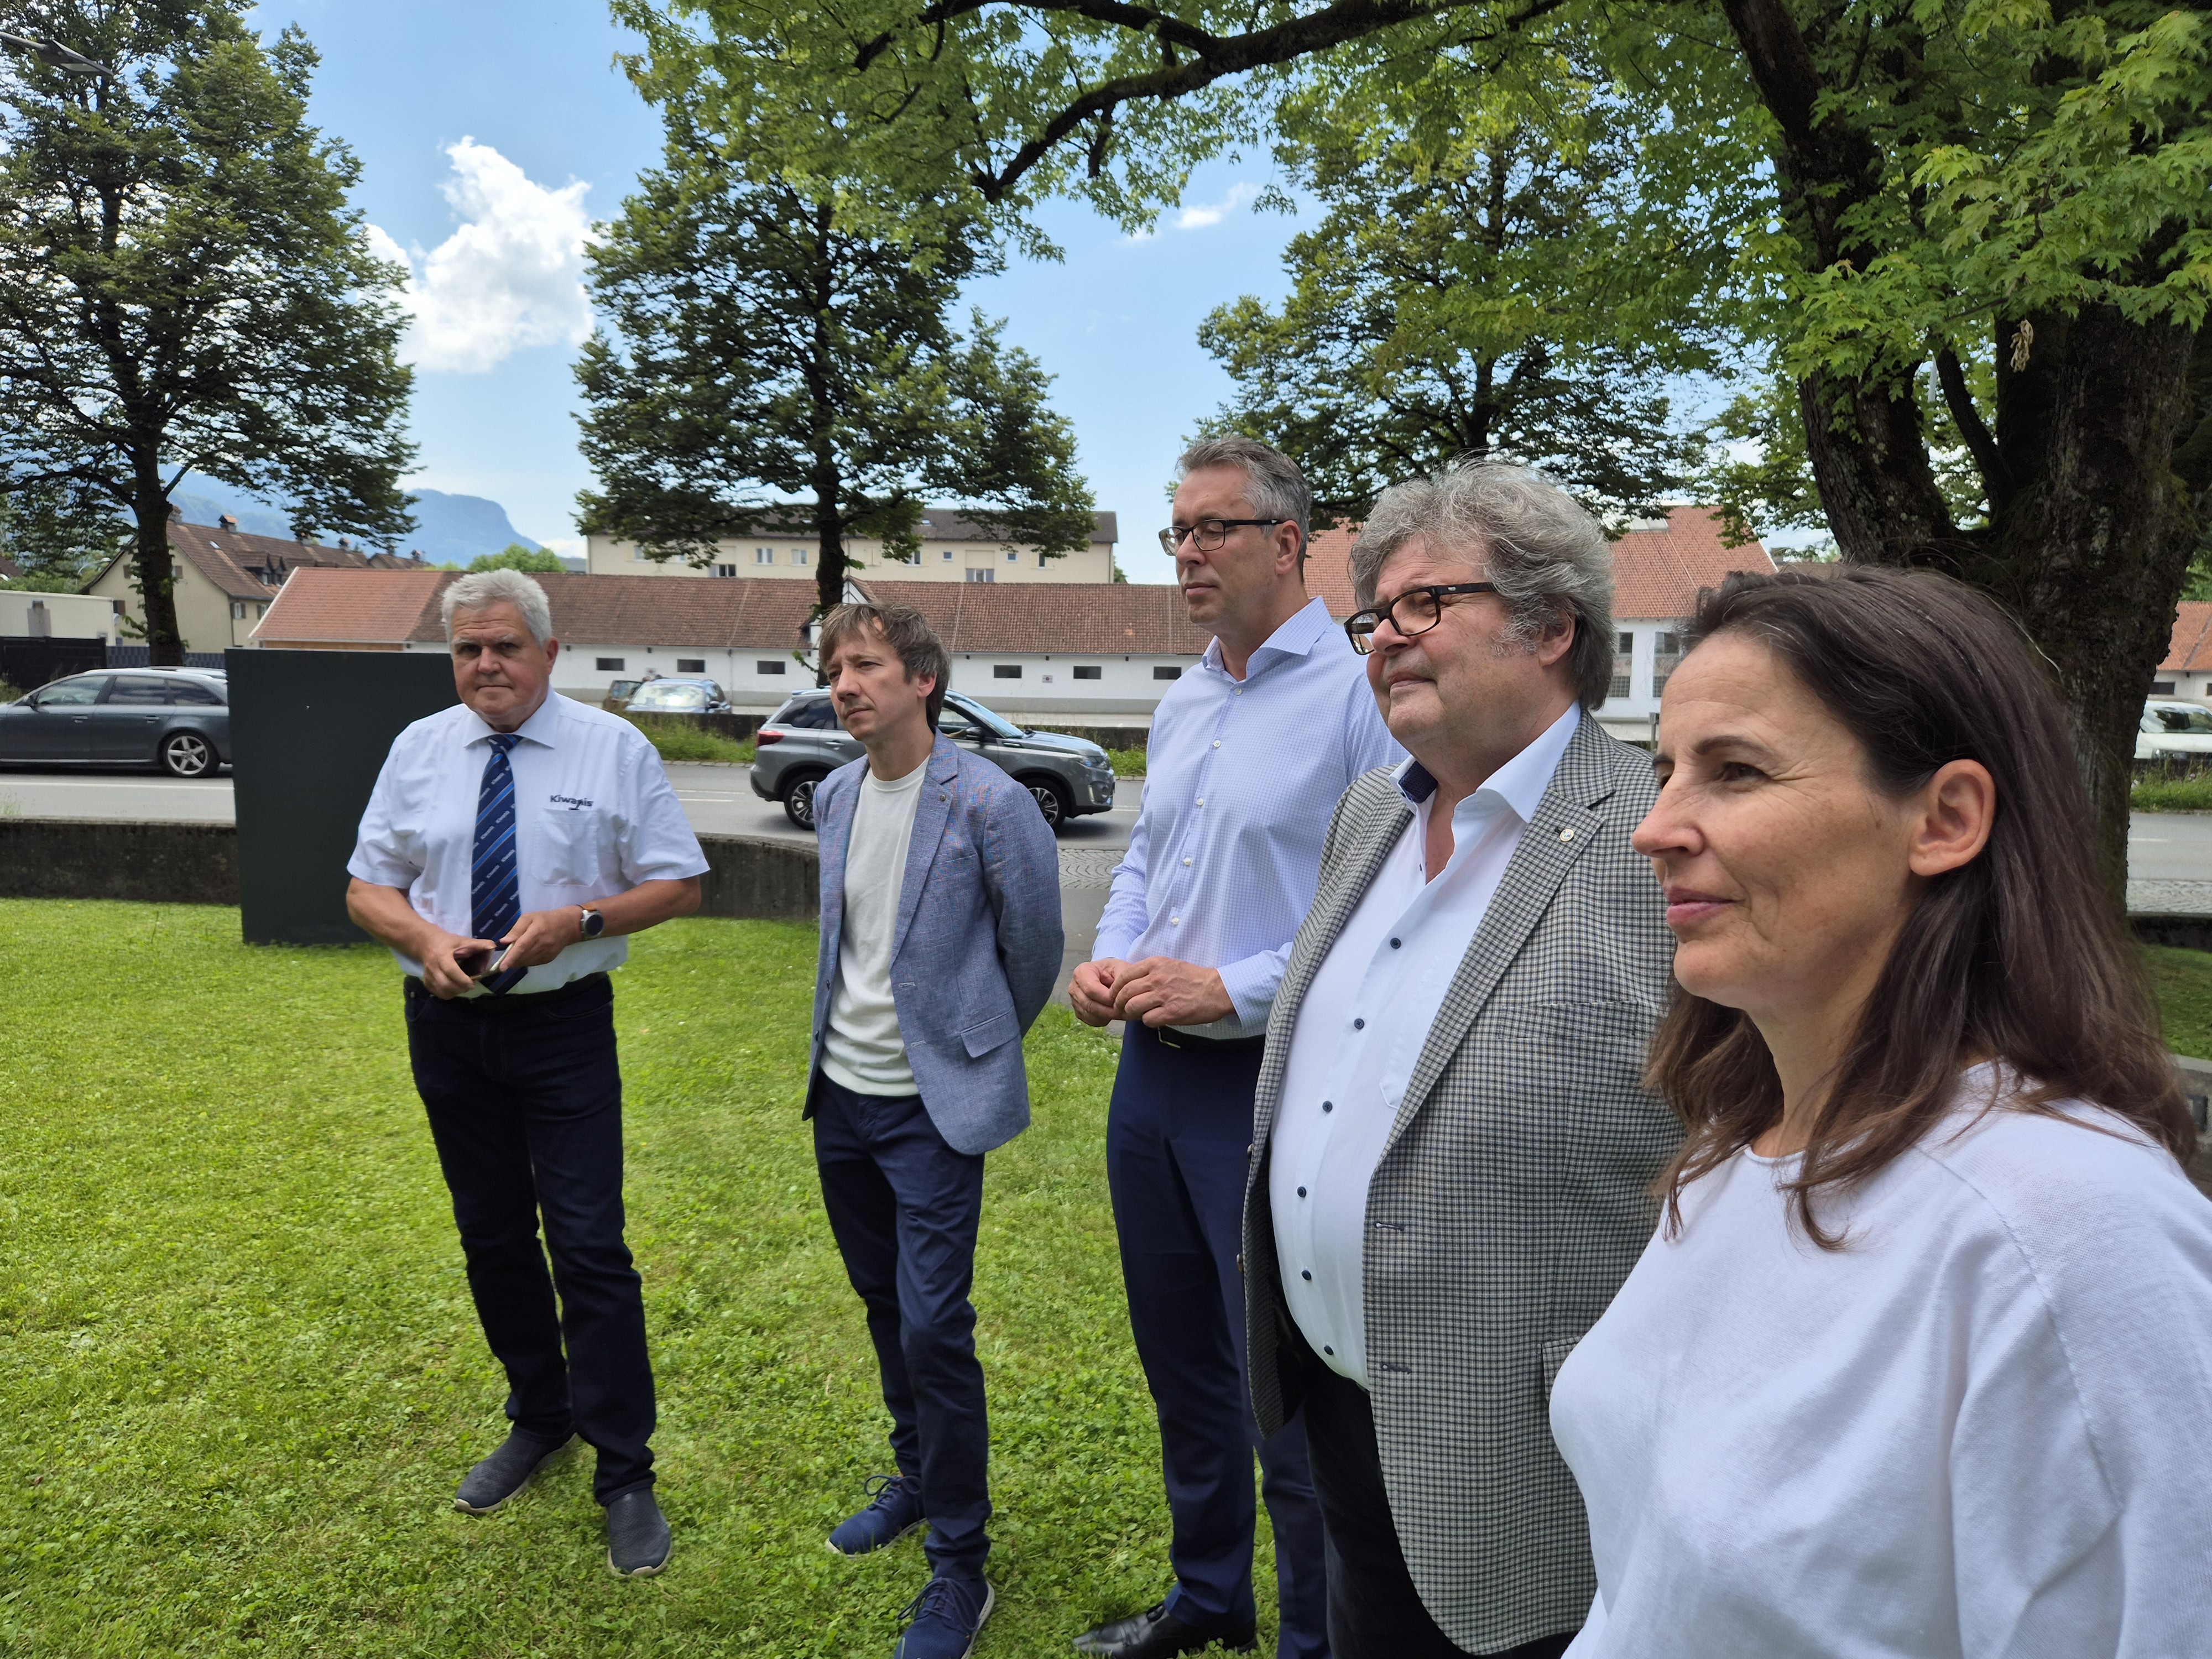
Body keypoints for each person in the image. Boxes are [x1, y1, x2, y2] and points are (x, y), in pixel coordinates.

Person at [1551, 567, 2212, 1657]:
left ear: (1944, 819)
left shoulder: (2068, 1234)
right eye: (1664, 772)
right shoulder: (1739, 1150)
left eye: (1735, 771)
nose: (1653, 828)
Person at [1240, 461, 1681, 1659]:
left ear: (1552, 627)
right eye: (1375, 614)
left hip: (1526, 1458)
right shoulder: (1368, 815)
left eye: (1427, 603)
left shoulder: (1660, 842)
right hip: (1340, 1410)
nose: (1386, 637)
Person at [1071, 437, 1402, 1659]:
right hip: (1151, 1081)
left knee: (1285, 1393)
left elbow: (1387, 900)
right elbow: (1147, 862)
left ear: (1287, 542)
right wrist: (1111, 956)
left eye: (1214, 528)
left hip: (1274, 1089)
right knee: (1180, 1363)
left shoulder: (1362, 699)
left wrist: (1234, 986)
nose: (1188, 553)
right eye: (1178, 532)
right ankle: (1208, 1595)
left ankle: (1312, 1637)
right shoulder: (1185, 699)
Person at [345, 568, 708, 1577]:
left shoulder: (613, 748)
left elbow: (680, 882)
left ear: (549, 652)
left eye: (506, 646)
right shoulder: (419, 749)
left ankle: (625, 1472)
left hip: (563, 1028)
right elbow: (367, 886)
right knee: (493, 1235)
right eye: (468, 649)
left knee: (590, 1248)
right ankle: (540, 1416)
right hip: (448, 1025)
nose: (487, 665)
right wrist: (424, 940)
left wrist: (578, 922)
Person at [804, 602, 1063, 1659]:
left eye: (865, 665)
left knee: (932, 1329)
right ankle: (915, 1475)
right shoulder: (834, 793)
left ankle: (961, 1562)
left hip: (929, 1114)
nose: (844, 685)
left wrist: (968, 1051)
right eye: (834, 669)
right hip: (840, 1098)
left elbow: (1033, 950)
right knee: (884, 1306)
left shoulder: (990, 801)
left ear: (923, 680)